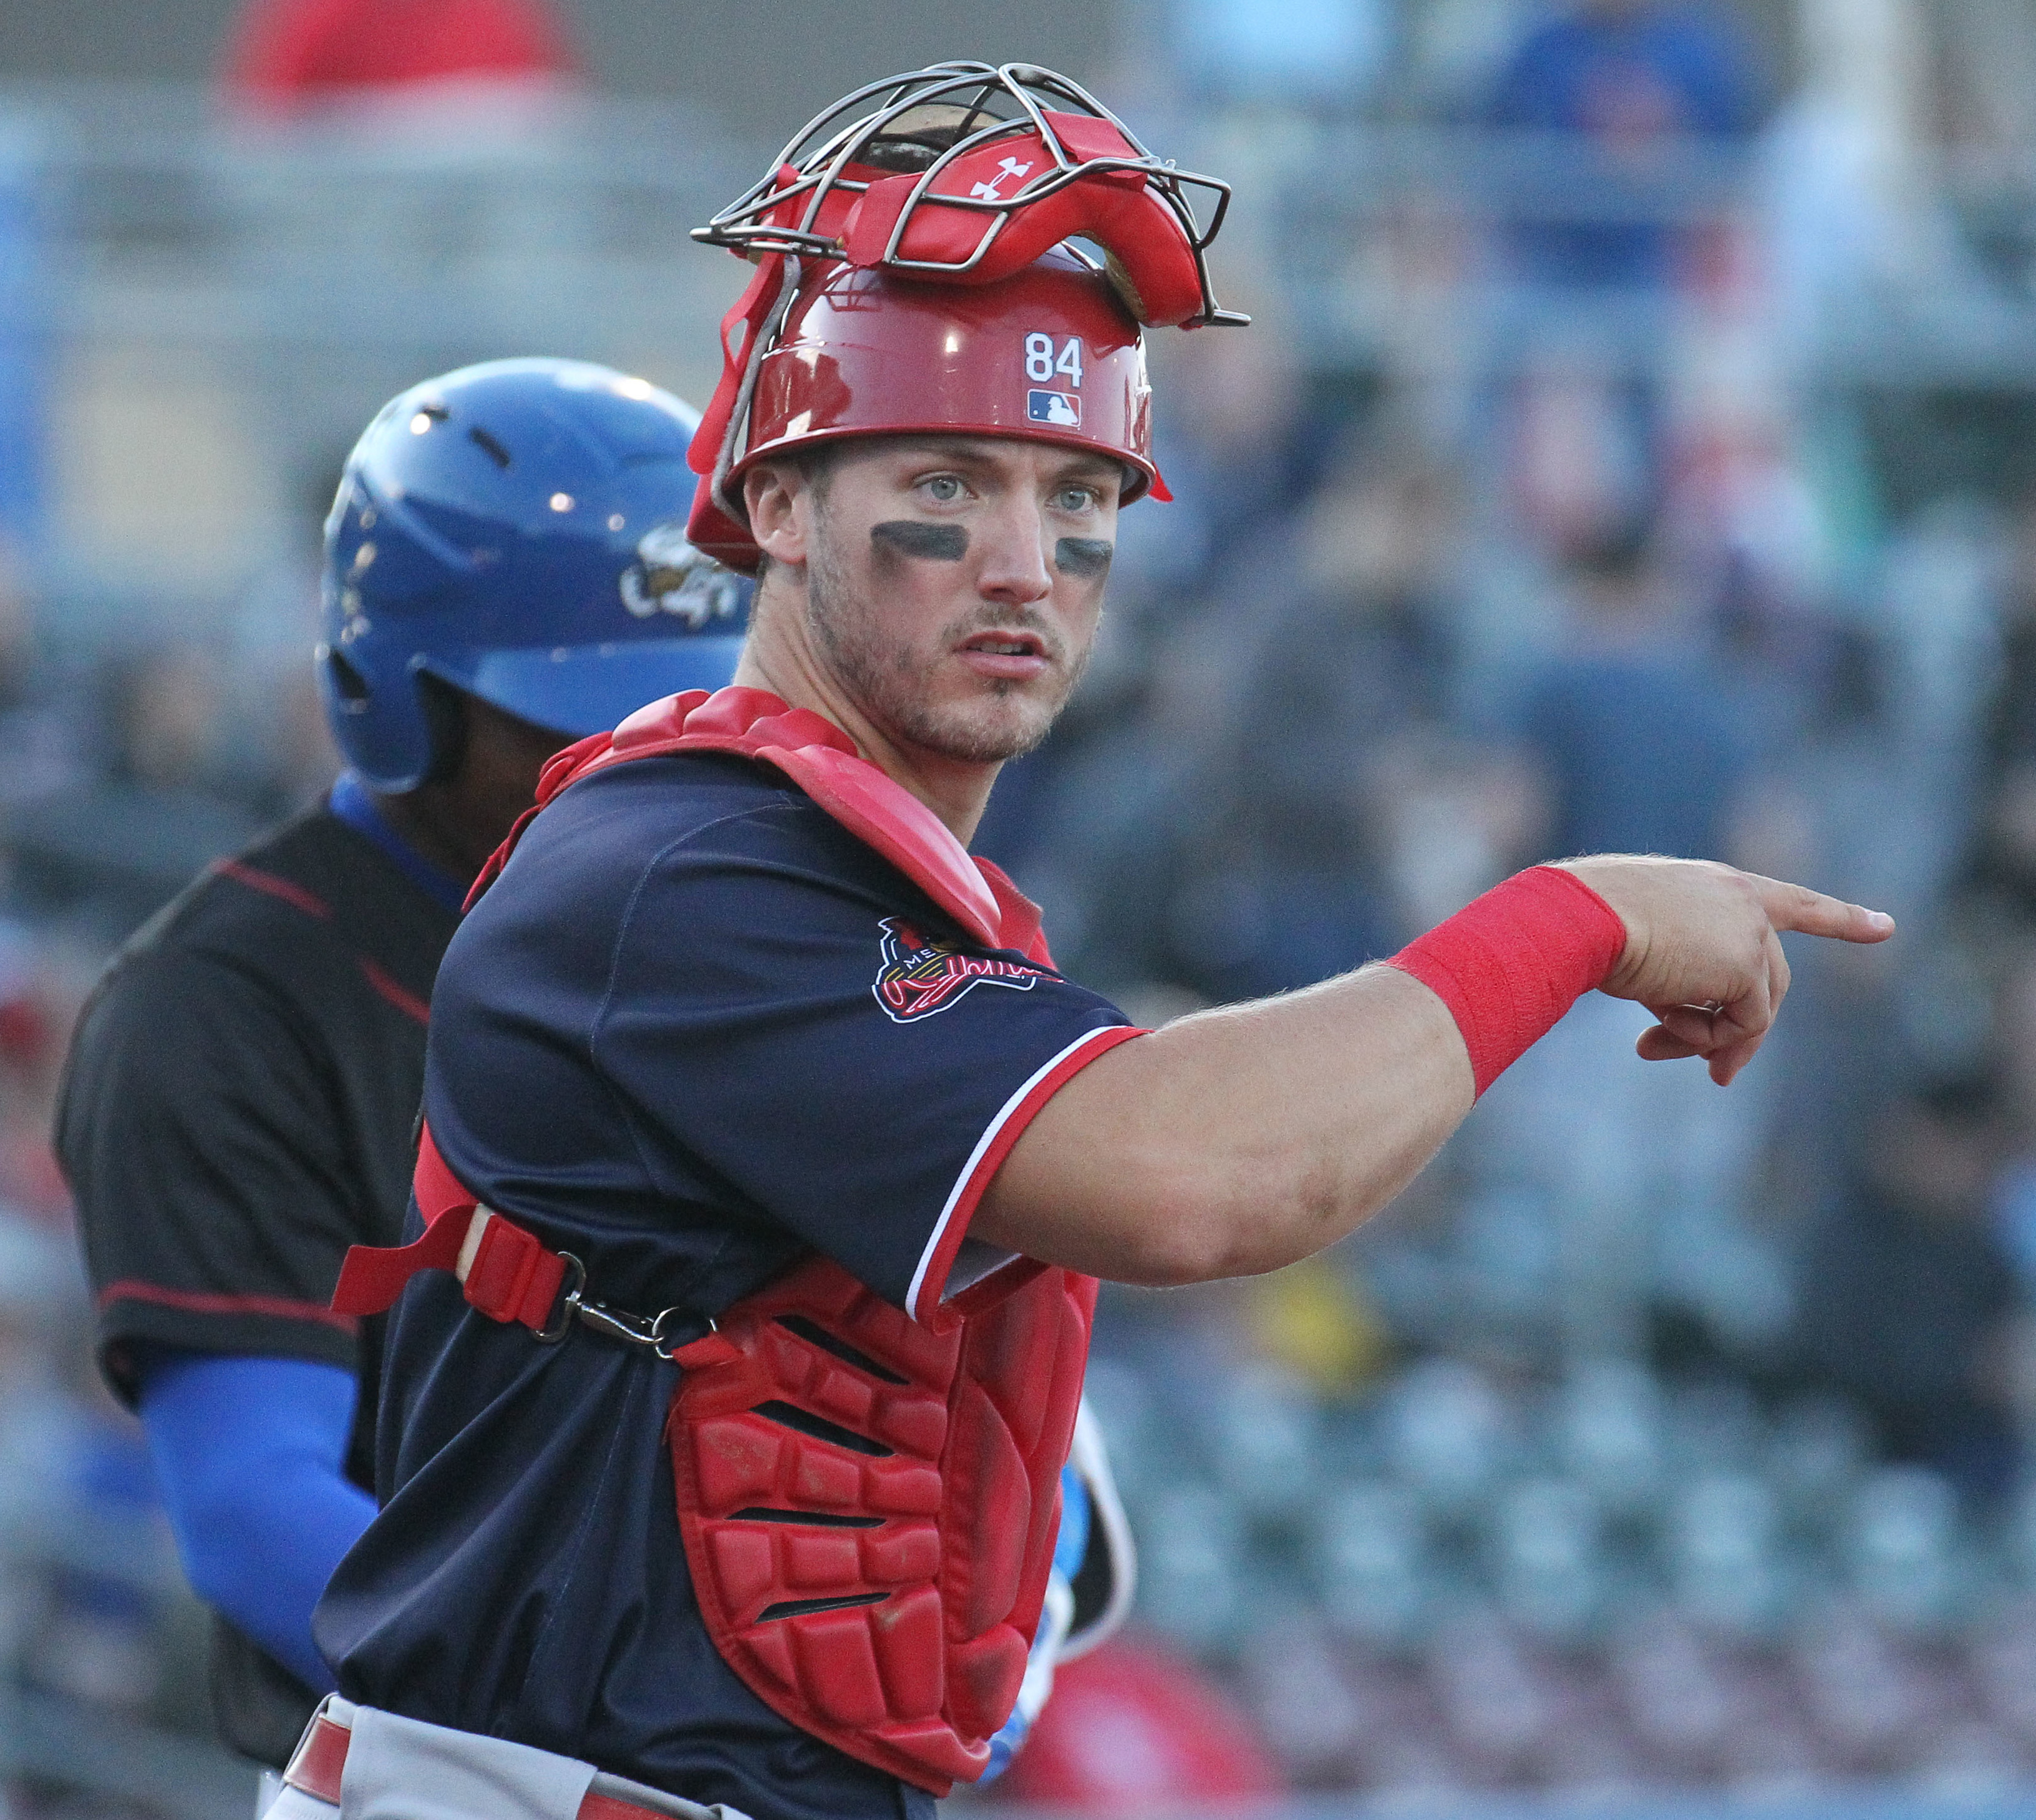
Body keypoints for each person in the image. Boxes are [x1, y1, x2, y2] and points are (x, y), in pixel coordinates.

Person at [289, 62, 1889, 1820]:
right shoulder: (679, 866)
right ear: (781, 500)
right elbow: (1205, 1179)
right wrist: (1576, 916)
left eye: (1079, 498)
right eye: (947, 481)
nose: (1024, 559)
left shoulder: (879, 886)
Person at [54, 357, 749, 1771]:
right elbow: (257, 1510)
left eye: (683, 709)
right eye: (576, 714)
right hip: (446, 1781)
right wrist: (661, 1721)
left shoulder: (731, 940)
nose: (637, 755)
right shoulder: (222, 1003)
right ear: (398, 692)